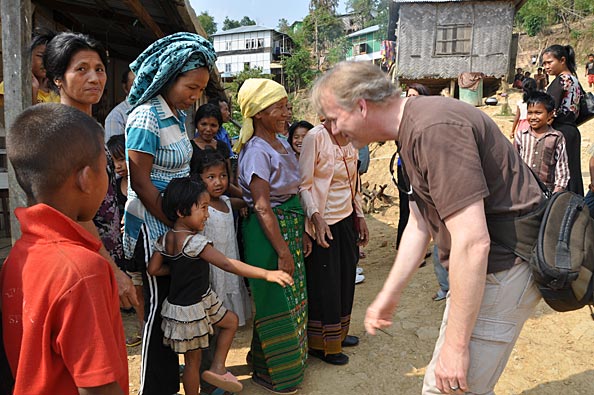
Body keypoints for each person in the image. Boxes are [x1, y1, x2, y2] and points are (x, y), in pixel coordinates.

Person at [311, 61, 544, 395]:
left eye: (333, 118)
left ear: (361, 106)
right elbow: (421, 223)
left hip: (503, 267)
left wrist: (456, 346)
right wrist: (390, 293)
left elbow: (472, 241)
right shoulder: (412, 129)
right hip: (487, 270)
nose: (332, 130)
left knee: (448, 388)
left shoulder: (433, 128)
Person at [1, 103, 128, 394]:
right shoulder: (83, 271)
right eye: (104, 167)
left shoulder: (19, 255)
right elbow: (97, 386)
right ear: (85, 179)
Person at [123, 32, 217, 395]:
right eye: (191, 88)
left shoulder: (175, 117)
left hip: (174, 226)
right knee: (157, 309)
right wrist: (177, 227)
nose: (195, 97)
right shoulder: (146, 118)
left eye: (200, 90)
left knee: (172, 308)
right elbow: (141, 183)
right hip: (153, 227)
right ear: (169, 76)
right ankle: (154, 388)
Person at [147, 176, 293, 395]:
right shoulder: (195, 243)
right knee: (193, 363)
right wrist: (266, 274)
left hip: (190, 303)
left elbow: (153, 269)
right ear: (181, 211)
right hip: (193, 309)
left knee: (230, 322)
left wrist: (177, 269)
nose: (207, 214)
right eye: (203, 208)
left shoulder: (165, 238)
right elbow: (227, 263)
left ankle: (217, 368)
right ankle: (206, 379)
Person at [44, 31, 139, 314]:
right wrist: (111, 268)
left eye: (99, 69)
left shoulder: (93, 129)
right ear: (58, 78)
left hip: (103, 249)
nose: (95, 78)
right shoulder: (60, 133)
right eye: (81, 70)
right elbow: (71, 213)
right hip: (81, 257)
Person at [236, 78, 310, 394]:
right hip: (268, 235)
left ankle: (265, 363)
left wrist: (301, 233)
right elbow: (262, 207)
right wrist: (282, 251)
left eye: (285, 105)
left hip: (288, 229)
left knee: (290, 298)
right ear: (259, 113)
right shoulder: (256, 151)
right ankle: (281, 376)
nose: (286, 112)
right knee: (274, 298)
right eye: (279, 107)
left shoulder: (278, 143)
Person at [299, 120, 369, 365]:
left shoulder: (351, 136)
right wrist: (315, 218)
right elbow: (304, 185)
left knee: (345, 278)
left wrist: (359, 216)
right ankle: (323, 346)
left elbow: (354, 183)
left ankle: (339, 334)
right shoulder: (315, 138)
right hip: (324, 222)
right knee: (326, 283)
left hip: (347, 219)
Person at [196, 151, 252, 325]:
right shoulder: (201, 207)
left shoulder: (227, 201)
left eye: (223, 176)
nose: (218, 182)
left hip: (230, 258)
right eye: (210, 177)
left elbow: (249, 199)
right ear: (199, 178)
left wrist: (234, 189)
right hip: (213, 265)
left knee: (230, 285)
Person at [107, 134, 145, 347]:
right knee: (136, 288)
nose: (118, 166)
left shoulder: (141, 183)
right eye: (114, 161)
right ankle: (143, 328)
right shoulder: (113, 185)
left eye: (122, 159)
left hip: (143, 244)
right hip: (125, 249)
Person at [543, 44, 584, 195]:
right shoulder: (574, 79)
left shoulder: (562, 80)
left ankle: (562, 210)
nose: (546, 67)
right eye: (544, 64)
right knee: (573, 173)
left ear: (562, 60)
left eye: (549, 62)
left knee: (561, 174)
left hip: (560, 131)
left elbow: (549, 109)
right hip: (572, 130)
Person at [514, 91, 569, 193]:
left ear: (550, 114)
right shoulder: (521, 136)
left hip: (547, 193)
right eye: (530, 113)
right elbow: (513, 163)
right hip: (523, 191)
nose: (533, 117)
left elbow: (562, 170)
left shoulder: (556, 137)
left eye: (538, 113)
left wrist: (556, 194)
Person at [0, 27, 59, 105]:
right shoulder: (13, 83)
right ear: (27, 57)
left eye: (50, 57)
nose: (46, 62)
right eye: (40, 56)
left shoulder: (56, 92)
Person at [105, 68, 135, 142]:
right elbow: (115, 152)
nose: (140, 88)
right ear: (125, 88)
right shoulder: (116, 116)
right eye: (134, 85)